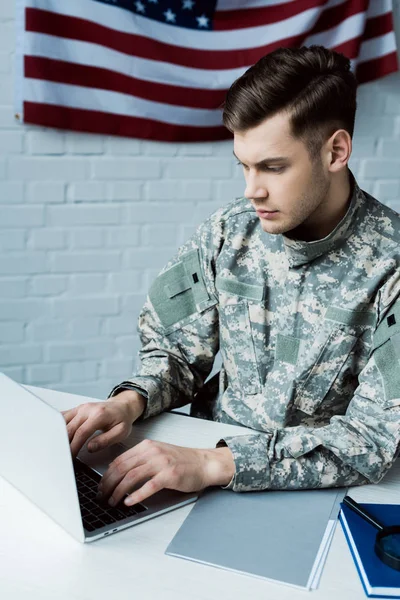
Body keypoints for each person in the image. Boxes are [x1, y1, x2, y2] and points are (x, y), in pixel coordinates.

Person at [63, 45, 400, 510]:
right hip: (197, 472)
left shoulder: (393, 265)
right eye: (244, 164)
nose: (251, 189)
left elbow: (372, 439)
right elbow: (177, 351)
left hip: (317, 493)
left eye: (273, 167)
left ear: (336, 152)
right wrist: (130, 402)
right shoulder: (228, 232)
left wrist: (212, 464)